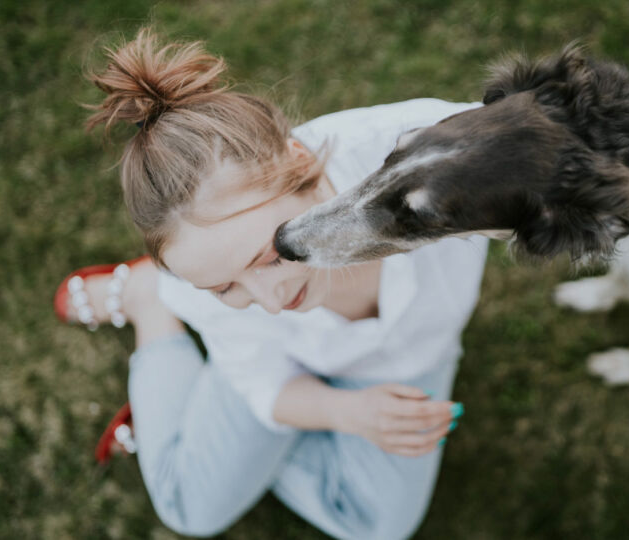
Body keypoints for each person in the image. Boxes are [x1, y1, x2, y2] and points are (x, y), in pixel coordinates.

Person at [55, 28, 488, 539]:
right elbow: (264, 380)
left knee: (376, 525)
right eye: (225, 288)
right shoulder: (208, 282)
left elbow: (556, 157)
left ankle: (216, 427)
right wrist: (348, 412)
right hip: (281, 361)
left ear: (299, 162)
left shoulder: (433, 153)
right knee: (188, 507)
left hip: (413, 353)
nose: (272, 302)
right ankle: (151, 301)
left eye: (271, 256)